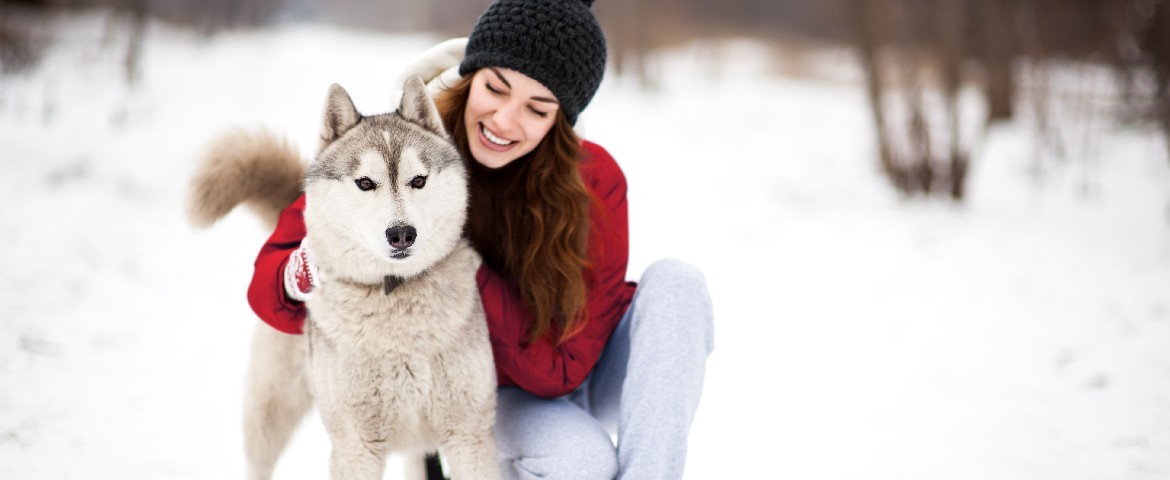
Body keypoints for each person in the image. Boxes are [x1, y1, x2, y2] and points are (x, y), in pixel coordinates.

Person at [247, 0, 715, 478]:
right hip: (496, 390)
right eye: (495, 88)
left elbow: (566, 370)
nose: (505, 121)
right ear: (469, 76)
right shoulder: (414, 150)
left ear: (561, 119)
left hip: (581, 368)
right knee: (580, 461)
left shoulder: (592, 179)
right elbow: (273, 279)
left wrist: (458, 265)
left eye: (537, 108)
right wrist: (302, 271)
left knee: (677, 283)